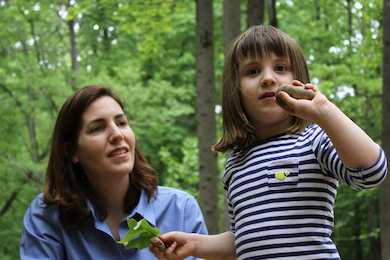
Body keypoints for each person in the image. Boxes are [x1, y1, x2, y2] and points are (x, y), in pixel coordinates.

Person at [151, 25, 388, 260]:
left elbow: (371, 173)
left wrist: (324, 110)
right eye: (253, 71)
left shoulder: (313, 140)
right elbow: (241, 240)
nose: (267, 78)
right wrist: (193, 243)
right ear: (235, 89)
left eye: (281, 67)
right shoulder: (235, 164)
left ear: (299, 81)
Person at [20, 85, 208, 260]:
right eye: (97, 128)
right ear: (72, 152)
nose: (117, 134)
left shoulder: (181, 209)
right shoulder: (46, 217)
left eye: (121, 122)